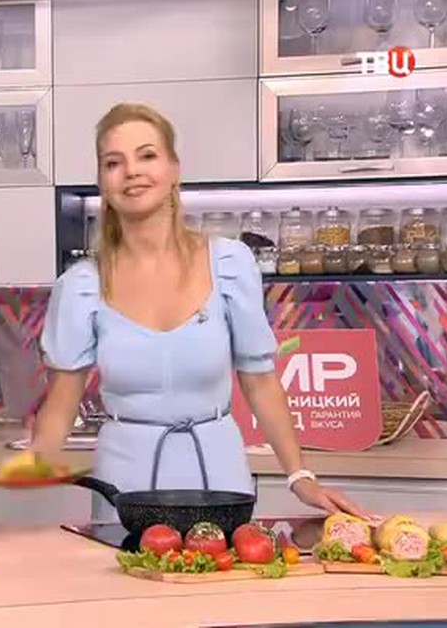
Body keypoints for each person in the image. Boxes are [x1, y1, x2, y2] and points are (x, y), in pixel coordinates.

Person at [27, 103, 365, 522]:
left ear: (174, 169)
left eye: (147, 155)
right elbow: (62, 403)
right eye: (113, 162)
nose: (131, 171)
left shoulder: (229, 264)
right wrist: (30, 468)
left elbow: (261, 383)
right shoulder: (81, 286)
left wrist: (300, 477)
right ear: (102, 181)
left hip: (219, 480)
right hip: (122, 489)